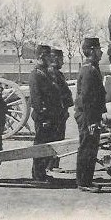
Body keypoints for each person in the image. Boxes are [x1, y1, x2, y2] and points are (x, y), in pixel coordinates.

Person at [75, 37, 107, 192]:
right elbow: (87, 98)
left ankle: (87, 180)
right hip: (87, 116)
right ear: (93, 51)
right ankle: (83, 183)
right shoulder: (89, 70)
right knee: (86, 148)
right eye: (99, 49)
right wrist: (90, 122)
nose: (102, 52)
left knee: (91, 148)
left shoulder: (92, 68)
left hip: (91, 116)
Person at [29, 44, 61, 182]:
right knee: (40, 146)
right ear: (42, 56)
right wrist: (43, 117)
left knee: (46, 145)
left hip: (49, 116)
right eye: (48, 56)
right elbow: (36, 99)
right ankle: (38, 174)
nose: (50, 58)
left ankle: (41, 173)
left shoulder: (45, 72)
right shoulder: (36, 74)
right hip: (43, 117)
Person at [47, 48, 74, 170]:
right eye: (61, 59)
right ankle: (51, 164)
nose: (63, 62)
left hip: (61, 111)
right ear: (55, 59)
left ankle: (53, 163)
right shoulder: (52, 73)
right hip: (57, 112)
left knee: (58, 137)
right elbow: (57, 94)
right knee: (55, 138)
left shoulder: (57, 73)